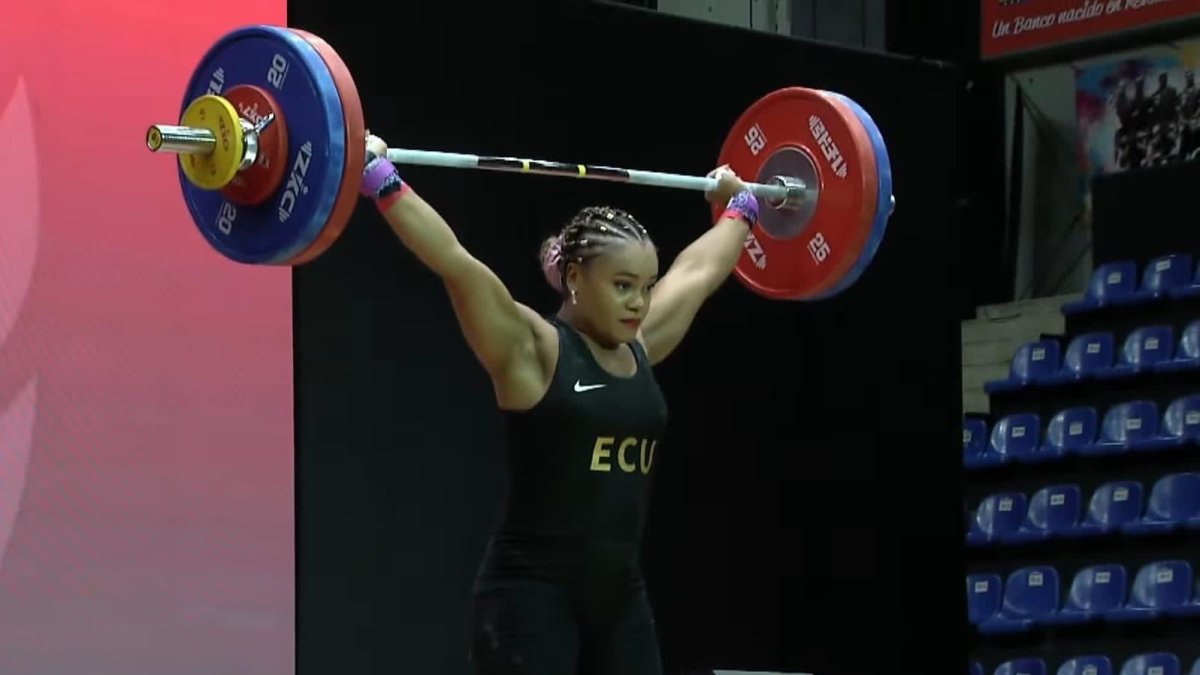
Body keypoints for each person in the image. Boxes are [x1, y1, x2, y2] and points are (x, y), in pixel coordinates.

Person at [359, 131, 758, 675]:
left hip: (619, 599)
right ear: (574, 278)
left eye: (644, 286)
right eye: (622, 286)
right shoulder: (534, 351)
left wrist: (743, 207)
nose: (638, 302)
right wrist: (379, 179)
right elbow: (455, 262)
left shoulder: (641, 348)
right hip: (530, 600)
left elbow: (699, 272)